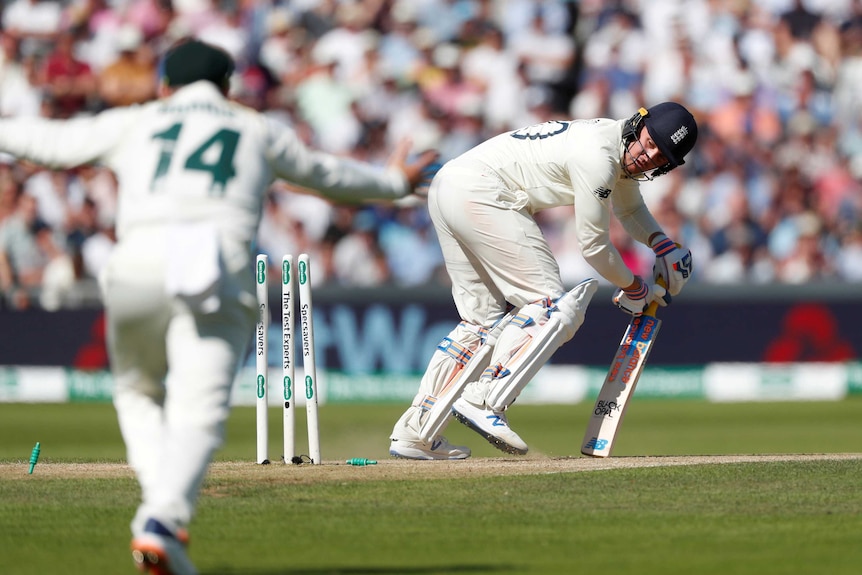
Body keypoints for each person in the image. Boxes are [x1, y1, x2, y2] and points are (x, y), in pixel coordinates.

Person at [0, 38, 437, 574]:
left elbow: (48, 142)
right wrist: (394, 182)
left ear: (165, 85)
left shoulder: (137, 121)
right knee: (200, 411)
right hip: (215, 267)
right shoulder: (255, 128)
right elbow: (328, 176)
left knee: (137, 391)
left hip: (136, 265)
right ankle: (161, 518)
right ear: (227, 87)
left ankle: (161, 525)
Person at [389, 102, 698, 460]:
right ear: (638, 124)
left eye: (662, 156)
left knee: (481, 322)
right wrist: (634, 288)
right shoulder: (598, 156)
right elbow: (593, 246)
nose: (650, 155)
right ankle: (485, 398)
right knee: (550, 304)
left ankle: (416, 432)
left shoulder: (615, 145)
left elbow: (628, 209)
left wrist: (664, 246)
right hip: (483, 190)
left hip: (450, 185)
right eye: (651, 142)